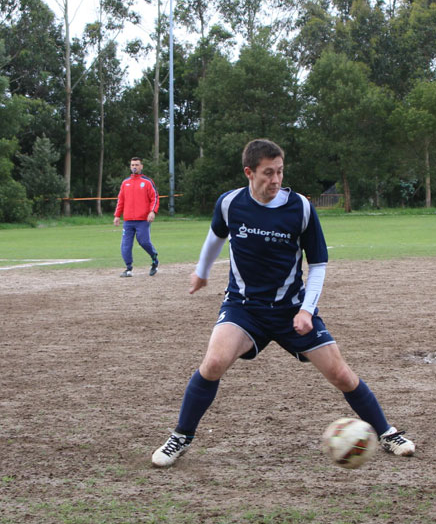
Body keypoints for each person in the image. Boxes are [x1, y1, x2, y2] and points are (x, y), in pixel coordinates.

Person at [151, 138, 415, 468]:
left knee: (341, 374)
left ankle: (387, 433)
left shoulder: (300, 208)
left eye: (280, 172)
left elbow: (318, 263)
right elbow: (216, 235)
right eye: (268, 173)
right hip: (244, 307)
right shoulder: (230, 203)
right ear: (249, 172)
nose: (275, 179)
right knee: (214, 362)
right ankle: (181, 436)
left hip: (291, 310)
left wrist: (307, 309)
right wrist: (201, 273)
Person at [113, 156, 159, 277]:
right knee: (125, 245)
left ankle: (154, 258)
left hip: (143, 220)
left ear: (141, 166)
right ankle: (128, 268)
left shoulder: (147, 182)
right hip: (128, 221)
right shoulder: (125, 182)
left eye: (137, 165)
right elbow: (121, 200)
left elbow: (154, 197)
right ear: (130, 167)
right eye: (133, 165)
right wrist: (117, 215)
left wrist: (152, 211)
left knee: (144, 242)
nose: (135, 167)